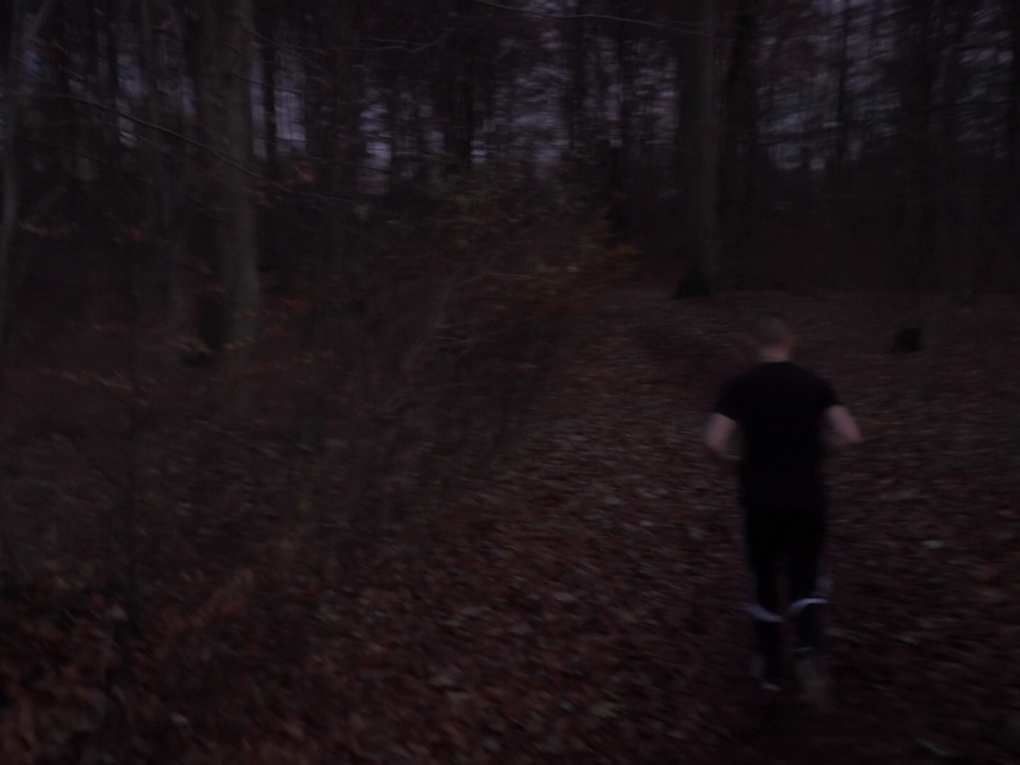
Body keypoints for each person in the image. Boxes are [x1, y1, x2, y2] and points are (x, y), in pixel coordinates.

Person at [703, 313, 862, 710]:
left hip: (759, 500)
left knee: (764, 580)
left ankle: (769, 669)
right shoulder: (815, 384)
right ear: (791, 342)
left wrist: (733, 466)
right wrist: (822, 455)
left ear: (754, 345)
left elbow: (712, 443)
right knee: (805, 579)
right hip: (807, 498)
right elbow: (851, 434)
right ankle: (809, 646)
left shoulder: (739, 386)